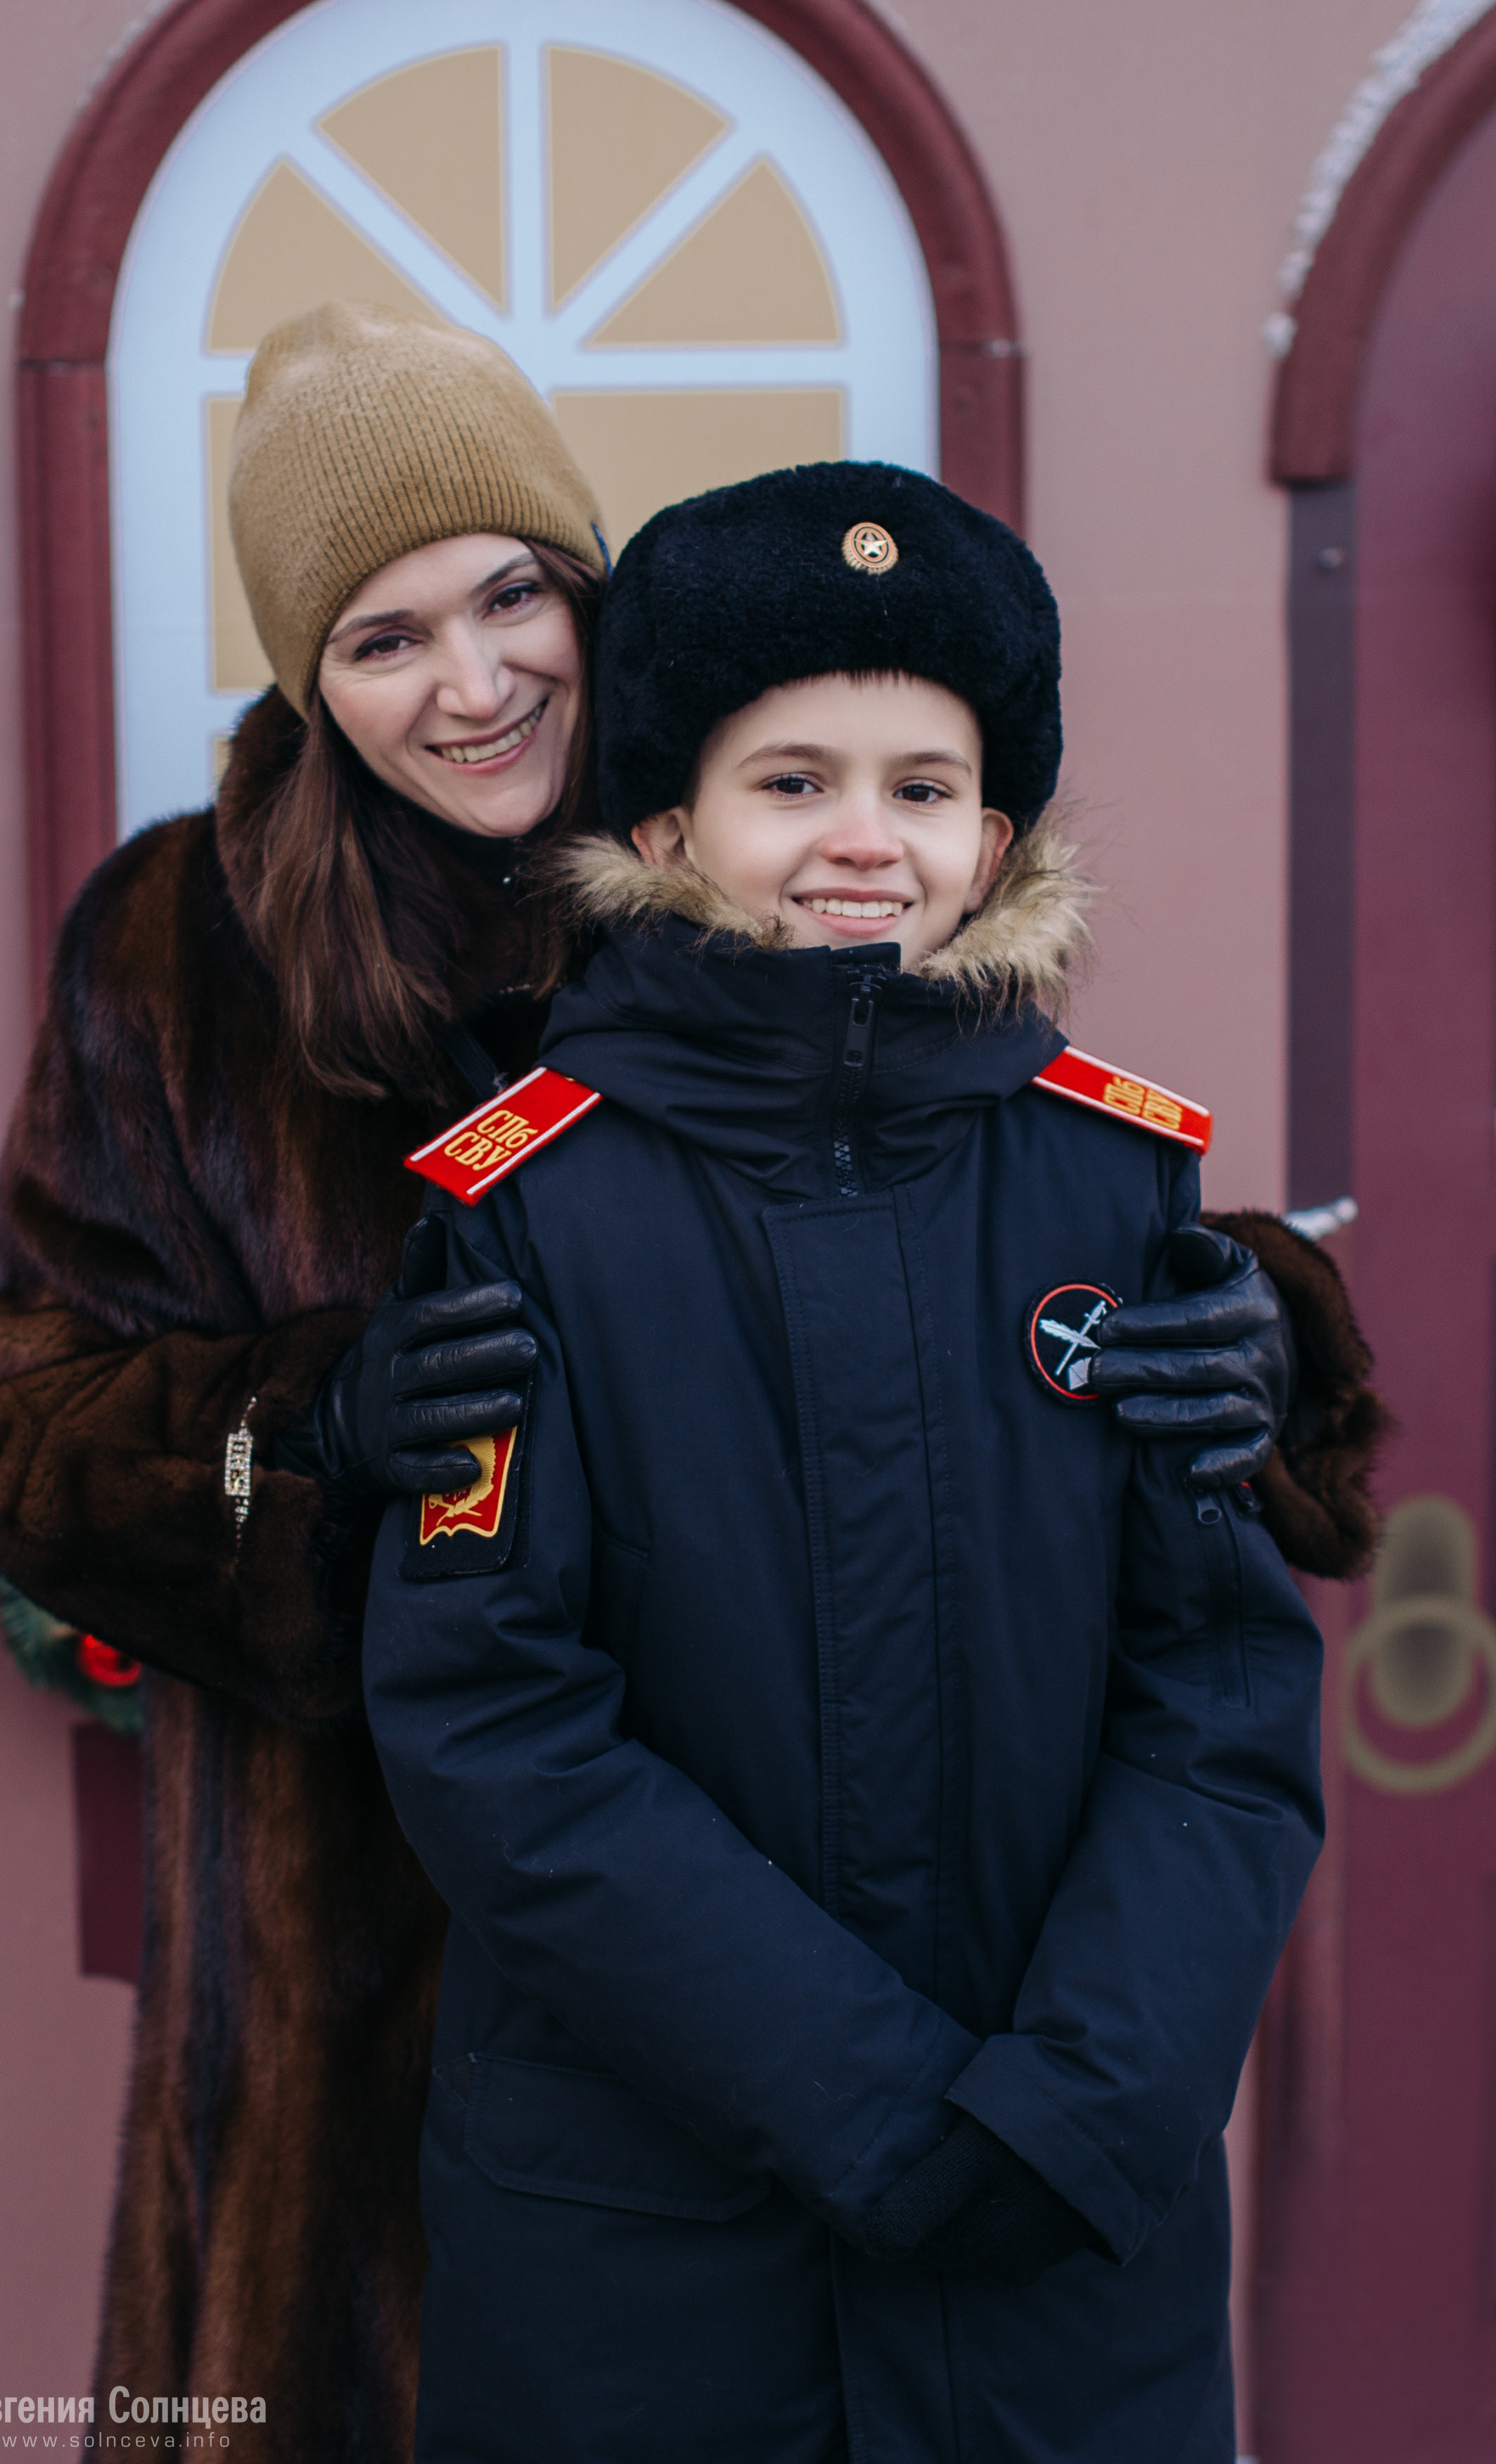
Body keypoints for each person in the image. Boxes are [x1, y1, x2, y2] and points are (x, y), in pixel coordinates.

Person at [0, 302, 1372, 2460]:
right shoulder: (180, 950)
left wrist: (1258, 1330)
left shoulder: (800, 831)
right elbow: (28, 1445)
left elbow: (1009, 1216)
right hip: (385, 1962)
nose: (477, 677)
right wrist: (302, 1437)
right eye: (385, 635)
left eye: (516, 591)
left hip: (889, 1941)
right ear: (306, 684)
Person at [361, 463, 1332, 2463]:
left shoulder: (1114, 1173)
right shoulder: (530, 1203)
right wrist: (887, 2112)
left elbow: (1221, 1699)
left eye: (922, 784)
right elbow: (495, 1719)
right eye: (788, 781)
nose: (860, 839)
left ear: (996, 837)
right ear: (665, 827)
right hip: (652, 2259)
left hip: (1066, 2242)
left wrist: (1081, 2104)